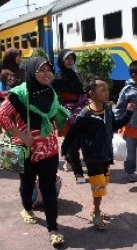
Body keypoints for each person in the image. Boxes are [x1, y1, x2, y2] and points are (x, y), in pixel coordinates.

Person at [0, 57, 70, 246]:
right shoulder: (19, 94)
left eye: (49, 70)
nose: (47, 74)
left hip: (50, 149)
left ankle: (53, 229)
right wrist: (20, 135)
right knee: (26, 184)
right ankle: (27, 209)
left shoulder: (51, 92)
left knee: (49, 188)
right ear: (31, 72)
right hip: (26, 149)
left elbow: (53, 116)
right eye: (41, 70)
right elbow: (1, 116)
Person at [61, 77, 135, 230]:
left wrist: (128, 113)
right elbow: (73, 133)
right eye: (102, 89)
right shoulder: (85, 114)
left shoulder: (107, 109)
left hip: (106, 153)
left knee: (103, 183)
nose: (106, 92)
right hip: (92, 156)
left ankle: (95, 209)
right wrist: (65, 149)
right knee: (99, 185)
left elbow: (115, 125)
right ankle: (96, 214)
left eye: (107, 89)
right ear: (91, 93)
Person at [51, 49, 87, 184]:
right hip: (66, 113)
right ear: (61, 60)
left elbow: (82, 92)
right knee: (72, 142)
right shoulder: (57, 78)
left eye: (72, 59)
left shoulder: (76, 75)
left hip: (80, 111)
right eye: (67, 59)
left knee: (79, 141)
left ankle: (67, 156)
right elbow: (52, 97)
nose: (70, 61)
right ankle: (79, 173)